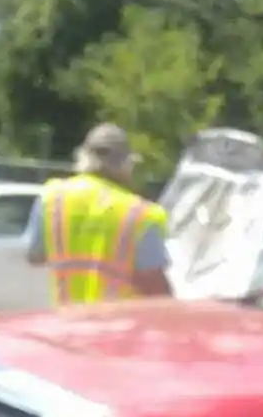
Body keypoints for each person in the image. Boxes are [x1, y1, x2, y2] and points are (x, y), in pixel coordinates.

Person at [25, 123, 173, 306]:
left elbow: (35, 256)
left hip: (68, 323)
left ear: (82, 157)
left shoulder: (53, 197)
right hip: (121, 328)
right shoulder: (141, 214)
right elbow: (154, 285)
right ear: (127, 164)